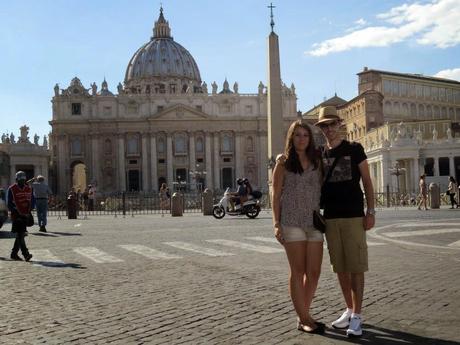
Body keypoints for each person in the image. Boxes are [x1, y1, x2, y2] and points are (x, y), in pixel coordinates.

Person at [315, 106, 375, 338]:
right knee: (340, 267)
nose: (328, 129)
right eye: (324, 126)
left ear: (340, 124)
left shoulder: (355, 149)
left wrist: (371, 211)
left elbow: (368, 182)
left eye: (332, 124)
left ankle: (358, 316)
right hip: (330, 217)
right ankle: (349, 309)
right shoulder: (320, 154)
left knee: (356, 266)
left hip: (353, 215)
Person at [272, 120, 325, 334]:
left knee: (313, 272)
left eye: (305, 135)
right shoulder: (283, 163)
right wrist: (276, 223)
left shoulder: (318, 160)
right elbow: (275, 195)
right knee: (297, 271)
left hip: (313, 222)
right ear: (291, 138)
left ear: (310, 138)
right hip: (291, 221)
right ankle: (304, 319)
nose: (301, 139)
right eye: (297, 135)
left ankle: (304, 313)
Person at [7, 171, 34, 261]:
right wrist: (14, 211)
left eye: (23, 180)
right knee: (21, 233)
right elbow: (9, 202)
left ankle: (14, 254)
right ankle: (25, 254)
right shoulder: (12, 189)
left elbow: (32, 201)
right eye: (20, 180)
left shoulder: (28, 189)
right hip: (16, 214)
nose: (22, 182)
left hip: (26, 214)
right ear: (16, 180)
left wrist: (29, 210)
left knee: (20, 234)